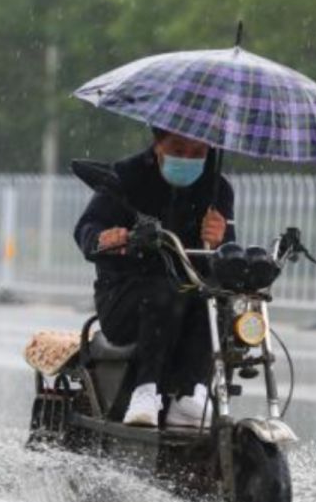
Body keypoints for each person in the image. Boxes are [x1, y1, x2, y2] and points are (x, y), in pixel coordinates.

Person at [73, 127, 236, 427]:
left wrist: (219, 239)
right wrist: (106, 238)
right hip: (124, 297)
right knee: (164, 292)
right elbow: (87, 229)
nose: (188, 158)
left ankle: (191, 394)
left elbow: (226, 257)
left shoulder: (218, 189)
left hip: (191, 294)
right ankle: (145, 391)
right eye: (178, 150)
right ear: (158, 144)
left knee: (220, 305)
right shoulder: (125, 178)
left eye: (197, 153)